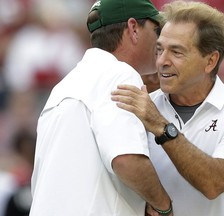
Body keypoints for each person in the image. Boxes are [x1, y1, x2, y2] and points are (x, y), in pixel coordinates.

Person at [111, 1, 224, 215]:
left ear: (210, 61)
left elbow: (213, 183)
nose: (162, 61)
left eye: (177, 52)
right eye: (159, 50)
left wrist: (160, 126)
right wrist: (142, 201)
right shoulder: (142, 105)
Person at [29, 0, 173, 216]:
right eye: (157, 30)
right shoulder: (119, 74)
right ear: (134, 29)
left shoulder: (63, 87)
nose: (160, 41)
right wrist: (163, 205)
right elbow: (126, 159)